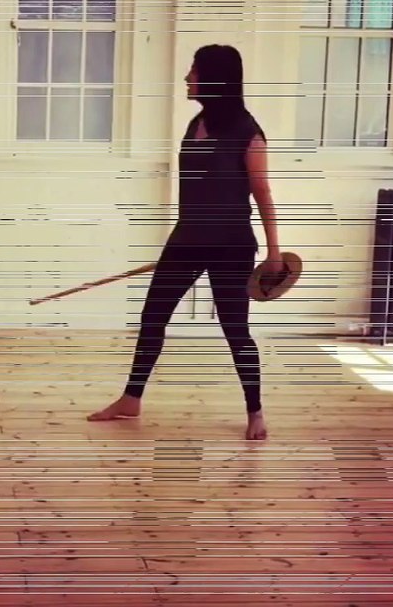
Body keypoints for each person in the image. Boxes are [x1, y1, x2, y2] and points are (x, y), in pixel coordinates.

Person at [88, 44, 283, 440]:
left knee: (235, 329)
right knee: (153, 317)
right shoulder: (196, 123)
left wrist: (275, 253)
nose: (187, 78)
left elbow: (262, 193)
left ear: (214, 78)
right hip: (187, 237)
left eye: (193, 71)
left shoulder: (248, 133)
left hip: (231, 245)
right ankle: (131, 399)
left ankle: (256, 412)